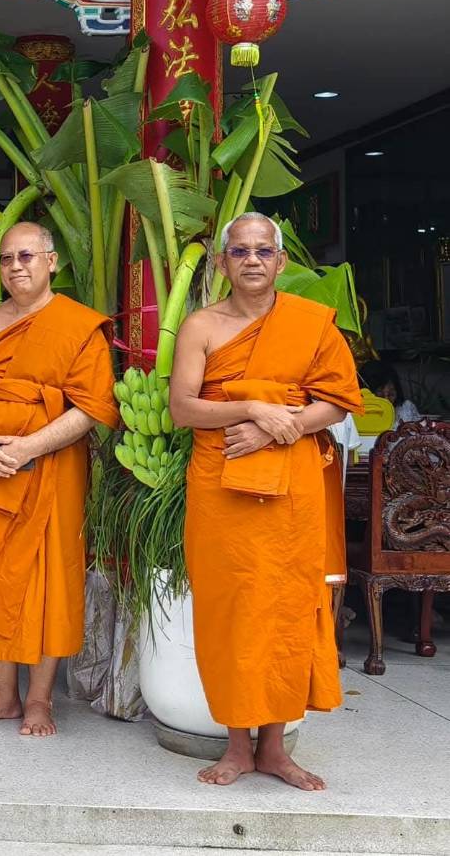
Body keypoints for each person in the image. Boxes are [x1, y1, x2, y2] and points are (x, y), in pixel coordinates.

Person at [170, 212, 362, 790]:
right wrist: (253, 411)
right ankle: (235, 746)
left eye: (263, 251)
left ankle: (276, 747)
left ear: (281, 263)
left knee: (285, 609)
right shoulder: (201, 327)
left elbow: (337, 401)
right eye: (240, 251)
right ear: (223, 263)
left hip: (292, 490)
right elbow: (184, 408)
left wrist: (285, 427)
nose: (252, 260)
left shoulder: (311, 324)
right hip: (220, 486)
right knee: (229, 610)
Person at [0, 222, 117, 737]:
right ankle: (1, 694)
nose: (16, 267)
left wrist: (29, 447)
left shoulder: (80, 325)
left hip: (51, 467)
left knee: (46, 581)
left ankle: (39, 699)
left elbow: (91, 406)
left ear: (52, 261)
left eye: (27, 257)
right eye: (7, 259)